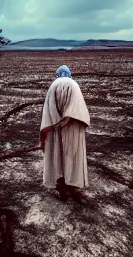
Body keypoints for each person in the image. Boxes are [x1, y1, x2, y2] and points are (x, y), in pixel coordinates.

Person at [40, 65, 90, 202]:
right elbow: (78, 109)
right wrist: (66, 121)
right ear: (69, 74)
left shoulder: (53, 85)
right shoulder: (74, 84)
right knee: (73, 157)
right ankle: (72, 187)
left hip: (55, 129)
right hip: (73, 128)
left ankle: (61, 186)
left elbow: (48, 111)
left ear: (57, 75)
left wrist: (55, 125)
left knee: (58, 156)